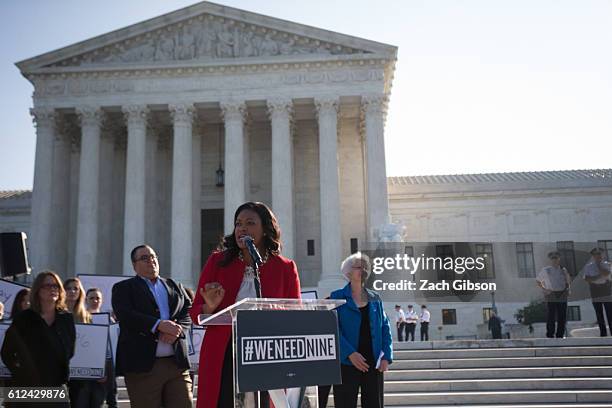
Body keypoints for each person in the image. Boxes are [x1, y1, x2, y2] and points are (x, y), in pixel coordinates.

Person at [190, 201, 302, 408]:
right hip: (224, 352)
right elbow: (196, 312)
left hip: (267, 352)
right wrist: (210, 306)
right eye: (238, 223)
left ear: (266, 229)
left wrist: (271, 310)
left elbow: (295, 315)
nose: (242, 228)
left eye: (250, 223)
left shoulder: (285, 267)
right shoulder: (217, 261)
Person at [112, 244, 193, 408]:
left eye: (153, 256)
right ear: (134, 265)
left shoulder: (174, 285)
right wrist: (158, 325)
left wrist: (177, 330)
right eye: (144, 258)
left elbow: (188, 311)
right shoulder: (123, 288)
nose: (151, 261)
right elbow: (126, 315)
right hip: (143, 367)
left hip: (176, 365)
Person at [1, 271, 75, 406]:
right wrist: (20, 372)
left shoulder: (66, 318)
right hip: (26, 386)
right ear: (37, 290)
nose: (53, 289)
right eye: (48, 286)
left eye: (56, 286)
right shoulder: (23, 318)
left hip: (56, 384)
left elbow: (70, 350)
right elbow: (7, 352)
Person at [330, 252, 392, 408]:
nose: (363, 270)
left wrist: (386, 356)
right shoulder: (336, 297)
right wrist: (350, 353)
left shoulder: (375, 297)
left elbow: (385, 326)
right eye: (359, 266)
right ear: (348, 272)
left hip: (374, 362)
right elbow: (333, 329)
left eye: (365, 267)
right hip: (347, 362)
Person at [64, 278, 99, 408]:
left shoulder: (86, 316)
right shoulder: (56, 313)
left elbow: (91, 343)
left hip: (80, 371)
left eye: (76, 289)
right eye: (69, 288)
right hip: (60, 369)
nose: (72, 291)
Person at [85, 288, 118, 408]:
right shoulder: (83, 318)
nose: (95, 300)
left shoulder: (109, 319)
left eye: (97, 298)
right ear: (86, 300)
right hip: (89, 364)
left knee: (112, 398)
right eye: (91, 298)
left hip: (108, 363)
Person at [536, 251, 571, 338]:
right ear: (550, 260)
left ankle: (560, 334)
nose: (554, 260)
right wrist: (544, 289)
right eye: (553, 258)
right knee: (551, 315)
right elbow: (538, 281)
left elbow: (567, 281)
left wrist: (568, 289)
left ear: (559, 259)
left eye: (556, 258)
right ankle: (550, 334)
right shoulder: (546, 270)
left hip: (562, 294)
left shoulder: (563, 270)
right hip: (551, 294)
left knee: (562, 315)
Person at [583, 247, 612, 336]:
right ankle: (603, 333)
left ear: (602, 254)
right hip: (595, 289)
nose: (598, 255)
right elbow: (587, 278)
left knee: (609, 312)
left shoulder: (607, 264)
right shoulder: (589, 266)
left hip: (606, 289)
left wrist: (599, 265)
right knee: (599, 312)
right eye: (596, 254)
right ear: (593, 256)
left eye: (599, 253)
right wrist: (598, 276)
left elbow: (606, 274)